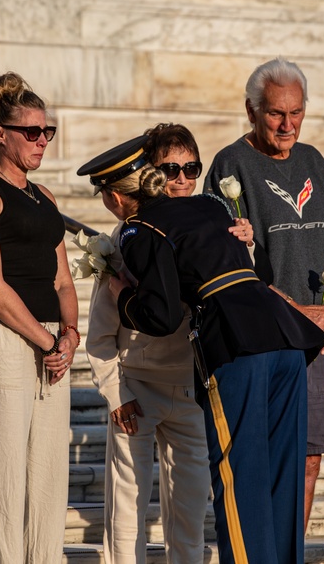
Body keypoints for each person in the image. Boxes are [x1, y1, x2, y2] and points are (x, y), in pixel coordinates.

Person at [78, 136, 324, 564]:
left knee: (238, 479)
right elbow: (252, 273)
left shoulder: (140, 230)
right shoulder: (213, 207)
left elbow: (159, 315)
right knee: (281, 476)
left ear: (115, 197)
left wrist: (122, 293)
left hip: (231, 348)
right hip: (283, 339)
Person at [86, 123, 251, 564]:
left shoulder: (219, 226)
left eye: (191, 169)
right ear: (149, 177)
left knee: (191, 509)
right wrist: (115, 392)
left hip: (190, 389)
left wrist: (243, 246)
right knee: (126, 506)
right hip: (137, 389)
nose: (181, 180)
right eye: (170, 169)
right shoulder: (129, 238)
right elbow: (101, 331)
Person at [205, 56, 324, 524]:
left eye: (296, 112)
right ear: (251, 110)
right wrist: (300, 313)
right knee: (263, 461)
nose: (287, 124)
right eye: (275, 113)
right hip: (260, 342)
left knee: (308, 460)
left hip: (312, 346)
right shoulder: (231, 165)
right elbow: (230, 268)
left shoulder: (316, 164)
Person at [0, 71, 80, 563]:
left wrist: (69, 334)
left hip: (49, 340)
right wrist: (47, 342)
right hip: (0, 338)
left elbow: (63, 280)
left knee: (47, 480)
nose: (41, 141)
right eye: (31, 131)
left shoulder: (46, 197)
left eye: (46, 131)